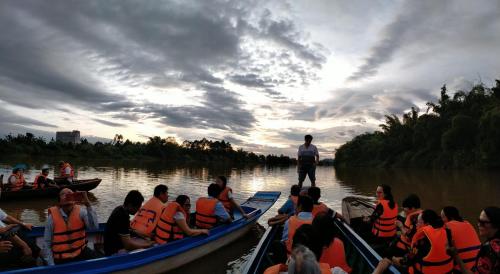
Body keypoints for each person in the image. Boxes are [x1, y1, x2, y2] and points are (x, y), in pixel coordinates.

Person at [43, 188, 99, 265]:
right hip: (61, 258)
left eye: (70, 194)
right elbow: (47, 243)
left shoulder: (81, 211)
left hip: (80, 252)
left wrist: (88, 204)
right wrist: (52, 265)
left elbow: (94, 227)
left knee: (100, 263)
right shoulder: (51, 218)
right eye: (63, 194)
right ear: (59, 201)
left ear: (74, 199)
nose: (67, 195)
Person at [392, 209, 454, 274]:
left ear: (427, 224)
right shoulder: (447, 232)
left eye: (419, 222)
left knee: (387, 261)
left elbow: (409, 260)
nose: (416, 224)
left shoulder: (421, 238)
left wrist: (396, 260)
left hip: (422, 271)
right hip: (446, 271)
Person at [449, 206, 500, 274]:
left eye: (483, 222)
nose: (478, 224)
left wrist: (455, 256)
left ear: (495, 224)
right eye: (478, 221)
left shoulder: (488, 249)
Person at [104, 190, 154, 256]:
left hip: (108, 247)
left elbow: (127, 230)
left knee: (141, 240)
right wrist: (147, 245)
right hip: (113, 252)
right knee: (149, 249)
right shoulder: (123, 217)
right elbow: (128, 246)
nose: (138, 210)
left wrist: (143, 235)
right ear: (130, 205)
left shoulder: (119, 208)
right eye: (137, 207)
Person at [441, 206, 481, 272]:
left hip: (462, 268)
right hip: (478, 265)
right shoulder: (468, 223)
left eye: (443, 217)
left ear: (450, 217)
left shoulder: (447, 227)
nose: (441, 220)